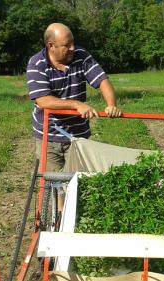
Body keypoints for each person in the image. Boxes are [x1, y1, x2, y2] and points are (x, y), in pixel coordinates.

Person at [26, 23, 122, 171]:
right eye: (66, 45)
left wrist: (112, 105)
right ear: (51, 46)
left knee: (75, 182)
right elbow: (44, 100)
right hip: (49, 134)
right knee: (53, 182)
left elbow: (102, 80)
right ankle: (55, 194)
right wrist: (77, 105)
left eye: (73, 43)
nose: (72, 48)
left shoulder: (82, 56)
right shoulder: (37, 63)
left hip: (78, 135)